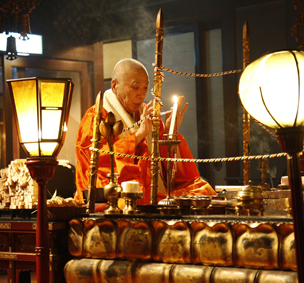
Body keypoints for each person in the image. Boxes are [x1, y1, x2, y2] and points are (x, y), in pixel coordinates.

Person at [75, 58, 215, 204]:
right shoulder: (96, 117)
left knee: (203, 190)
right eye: (135, 87)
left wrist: (169, 131)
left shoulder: (146, 112)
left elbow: (167, 168)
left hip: (152, 186)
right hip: (118, 190)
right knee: (133, 200)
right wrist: (138, 136)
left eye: (145, 88)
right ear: (115, 85)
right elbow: (97, 162)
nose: (141, 94)